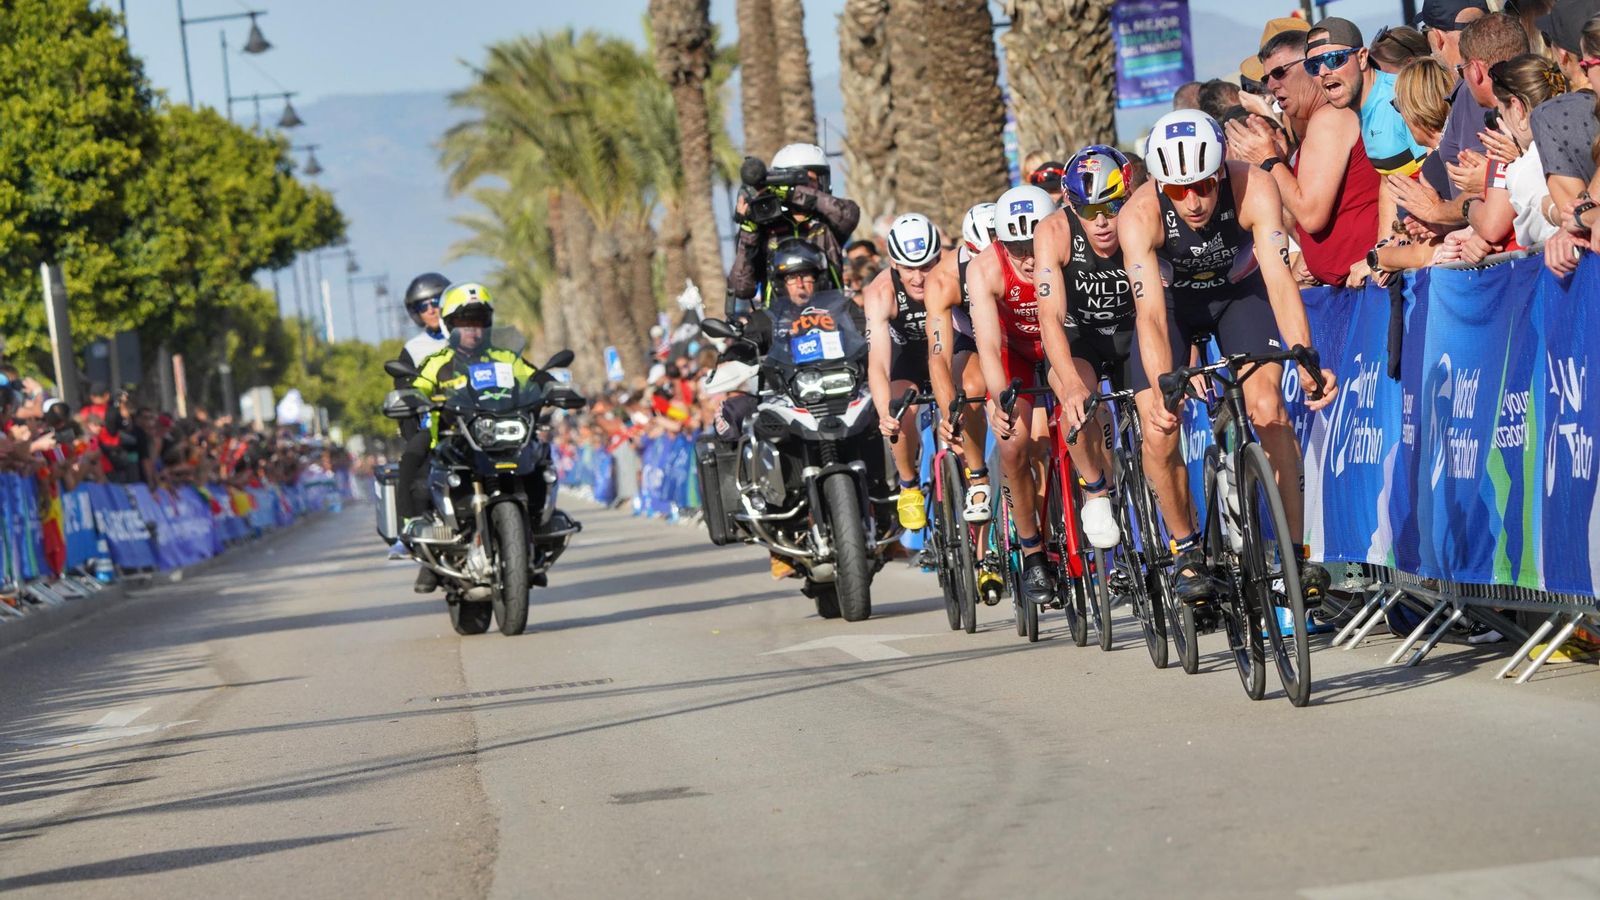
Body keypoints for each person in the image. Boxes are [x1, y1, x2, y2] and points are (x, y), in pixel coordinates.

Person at [1119, 109, 1338, 607]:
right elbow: (1150, 315)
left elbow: (1281, 283)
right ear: (1159, 185)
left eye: (1201, 185)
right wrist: (1162, 386)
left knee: (1270, 411)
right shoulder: (1138, 215)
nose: (1192, 202)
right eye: (1177, 191)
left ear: (1219, 172)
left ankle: (1294, 556)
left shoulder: (1254, 187)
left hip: (1239, 296)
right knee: (1159, 427)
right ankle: (1185, 549)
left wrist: (1305, 358)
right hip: (1173, 306)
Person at [402, 282, 542, 593]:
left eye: (479, 323)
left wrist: (552, 386)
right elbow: (417, 386)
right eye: (465, 323)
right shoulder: (439, 362)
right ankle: (427, 559)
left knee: (541, 463)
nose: (473, 331)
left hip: (504, 436)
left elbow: (535, 378)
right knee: (419, 479)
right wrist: (410, 398)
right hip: (456, 442)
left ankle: (536, 534)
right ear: (450, 326)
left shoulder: (505, 358)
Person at [1034, 144, 1138, 552]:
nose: (1101, 223)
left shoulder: (1140, 218)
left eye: (1111, 208)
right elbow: (1049, 319)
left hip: (1131, 330)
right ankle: (1095, 490)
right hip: (1080, 336)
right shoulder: (1054, 232)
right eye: (1087, 210)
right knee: (1074, 404)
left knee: (1162, 417)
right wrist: (1074, 386)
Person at [1230, 24, 1382, 286]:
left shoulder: (1330, 118)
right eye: (1266, 79)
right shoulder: (1317, 125)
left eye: (1280, 73)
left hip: (1368, 282)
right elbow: (1304, 224)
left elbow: (1311, 218)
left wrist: (1269, 159)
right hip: (1350, 284)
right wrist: (1277, 165)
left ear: (1311, 66)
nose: (1272, 86)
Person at [966, 183, 1059, 607]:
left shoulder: (1065, 246)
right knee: (1013, 444)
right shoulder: (984, 269)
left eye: (1032, 243)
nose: (1026, 256)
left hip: (1063, 344)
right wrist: (1000, 398)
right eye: (1016, 246)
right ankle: (1032, 549)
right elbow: (986, 345)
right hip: (1014, 354)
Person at [1398, 12, 1529, 232]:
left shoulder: (1503, 125)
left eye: (1462, 70)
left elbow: (1493, 226)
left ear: (1476, 70)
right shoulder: (1540, 104)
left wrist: (1446, 211)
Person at [864, 213, 942, 530]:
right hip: (905, 360)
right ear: (895, 264)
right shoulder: (880, 292)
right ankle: (908, 485)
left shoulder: (951, 274)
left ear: (939, 257)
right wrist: (885, 413)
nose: (919, 277)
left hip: (946, 352)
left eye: (926, 266)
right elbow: (879, 364)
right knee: (898, 410)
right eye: (909, 267)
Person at [923, 202, 994, 525]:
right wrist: (949, 411)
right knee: (968, 386)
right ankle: (978, 476)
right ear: (969, 249)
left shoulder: (1028, 256)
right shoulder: (945, 278)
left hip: (1015, 328)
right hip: (973, 335)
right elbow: (938, 355)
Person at [727, 143, 862, 313]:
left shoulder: (828, 222)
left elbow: (850, 215)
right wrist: (749, 229)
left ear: (822, 181)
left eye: (809, 182)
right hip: (778, 327)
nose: (804, 188)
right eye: (799, 182)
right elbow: (741, 288)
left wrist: (794, 193)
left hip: (832, 317)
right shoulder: (765, 228)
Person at [1473, 54, 1568, 250]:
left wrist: (1470, 204)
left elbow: (1528, 236)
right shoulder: (1586, 135)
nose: (1500, 122)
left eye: (1501, 111)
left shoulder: (1521, 172)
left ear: (1517, 108)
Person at [389, 271, 452, 558]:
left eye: (437, 301)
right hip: (439, 425)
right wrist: (416, 432)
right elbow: (406, 394)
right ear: (415, 313)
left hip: (483, 422)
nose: (432, 309)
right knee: (411, 462)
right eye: (423, 306)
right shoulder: (413, 350)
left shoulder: (475, 336)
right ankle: (410, 531)